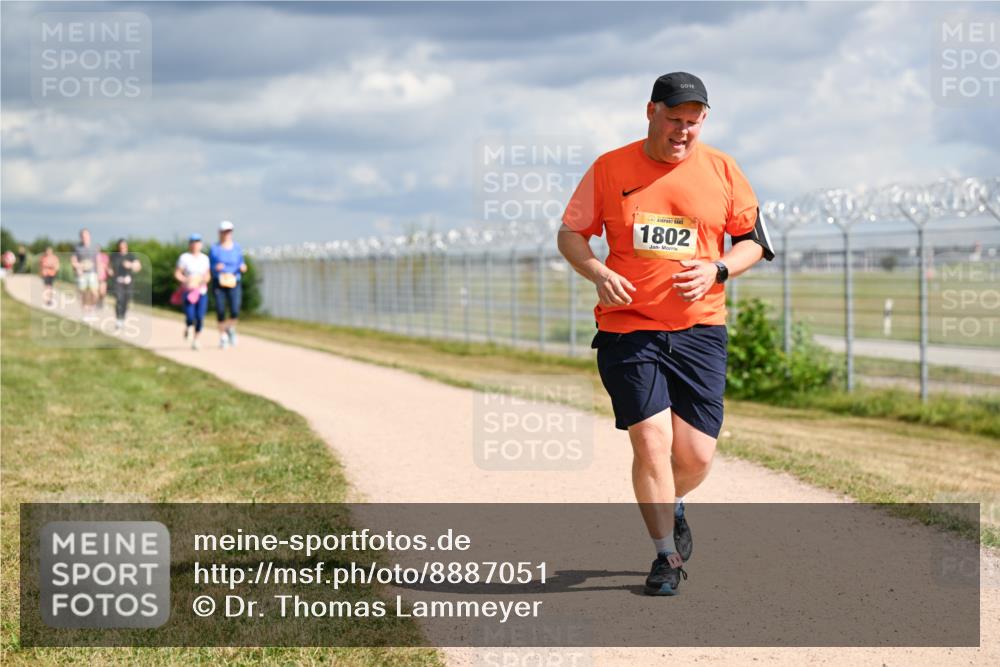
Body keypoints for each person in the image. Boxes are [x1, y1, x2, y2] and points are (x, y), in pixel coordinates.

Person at [557, 72, 774, 596]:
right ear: (650, 111)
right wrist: (599, 271)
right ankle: (665, 557)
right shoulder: (611, 168)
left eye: (693, 123)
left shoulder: (722, 169)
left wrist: (718, 269)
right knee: (652, 442)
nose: (683, 131)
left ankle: (673, 503)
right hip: (629, 328)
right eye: (674, 119)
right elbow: (570, 234)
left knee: (695, 455)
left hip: (700, 329)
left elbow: (753, 242)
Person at [208, 220, 248, 349]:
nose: (227, 234)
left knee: (235, 310)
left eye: (229, 231)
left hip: (234, 281)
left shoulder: (237, 247)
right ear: (220, 233)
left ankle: (229, 328)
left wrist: (243, 267)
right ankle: (223, 337)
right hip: (219, 282)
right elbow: (210, 267)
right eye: (225, 232)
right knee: (220, 310)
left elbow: (241, 262)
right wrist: (216, 267)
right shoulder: (215, 248)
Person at [174, 234, 211, 350]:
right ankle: (188, 326)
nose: (195, 245)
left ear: (200, 244)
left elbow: (208, 275)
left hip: (201, 291)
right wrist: (185, 280)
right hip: (188, 290)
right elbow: (177, 273)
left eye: (197, 242)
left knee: (200, 316)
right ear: (190, 244)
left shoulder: (205, 258)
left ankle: (196, 339)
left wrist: (203, 280)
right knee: (190, 315)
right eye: (193, 242)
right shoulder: (184, 257)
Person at [108, 239, 142, 331]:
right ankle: (118, 319)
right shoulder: (114, 256)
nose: (122, 248)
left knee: (126, 301)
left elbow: (138, 267)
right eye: (120, 246)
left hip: (128, 282)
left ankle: (122, 317)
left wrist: (130, 265)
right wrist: (110, 271)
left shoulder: (131, 256)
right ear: (118, 247)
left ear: (126, 246)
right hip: (118, 281)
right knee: (119, 299)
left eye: (124, 246)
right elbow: (109, 266)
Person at [71, 229, 102, 320]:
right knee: (84, 294)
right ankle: (86, 313)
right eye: (83, 236)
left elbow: (98, 260)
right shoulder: (77, 248)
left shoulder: (94, 247)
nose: (85, 237)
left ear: (89, 236)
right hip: (82, 274)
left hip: (93, 273)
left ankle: (92, 311)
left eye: (86, 235)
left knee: (94, 293)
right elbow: (73, 260)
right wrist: (78, 268)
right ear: (81, 237)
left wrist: (99, 273)